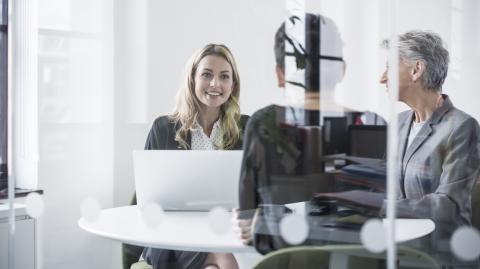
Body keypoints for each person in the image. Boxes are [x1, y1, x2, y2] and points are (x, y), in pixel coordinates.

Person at [123, 43, 249, 269]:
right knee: (223, 259)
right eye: (207, 75)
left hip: (227, 233)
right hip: (172, 238)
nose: (215, 84)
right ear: (192, 79)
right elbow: (148, 198)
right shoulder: (164, 128)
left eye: (224, 76)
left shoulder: (245, 128)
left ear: (233, 84)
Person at [234, 14, 347, 245]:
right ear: (341, 70)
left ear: (280, 75)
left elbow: (248, 222)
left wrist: (264, 219)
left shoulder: (263, 123)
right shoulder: (374, 125)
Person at [379, 30, 480, 237]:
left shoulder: (462, 126)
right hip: (400, 243)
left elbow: (448, 205)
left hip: (440, 250)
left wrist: (377, 206)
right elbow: (386, 188)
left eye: (389, 67)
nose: (382, 78)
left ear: (417, 69)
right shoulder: (397, 124)